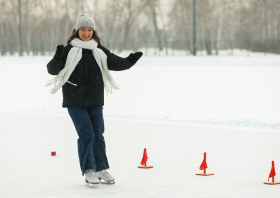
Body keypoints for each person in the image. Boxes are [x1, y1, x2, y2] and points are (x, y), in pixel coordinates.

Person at [46, 13, 142, 186]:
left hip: (95, 101)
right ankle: (89, 170)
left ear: (93, 31)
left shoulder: (99, 50)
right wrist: (58, 57)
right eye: (83, 29)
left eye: (90, 30)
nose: (86, 33)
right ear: (77, 31)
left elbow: (116, 62)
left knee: (98, 134)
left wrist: (130, 60)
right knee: (87, 135)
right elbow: (52, 70)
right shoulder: (68, 51)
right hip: (75, 102)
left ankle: (100, 168)